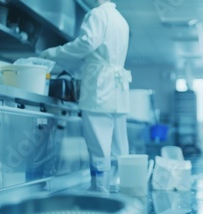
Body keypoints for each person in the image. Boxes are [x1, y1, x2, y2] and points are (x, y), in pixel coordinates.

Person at [40, 0, 131, 193]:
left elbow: (87, 43)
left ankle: (99, 191)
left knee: (98, 145)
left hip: (99, 88)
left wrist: (53, 53)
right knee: (119, 147)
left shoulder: (98, 14)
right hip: (118, 89)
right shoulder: (121, 20)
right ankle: (120, 188)